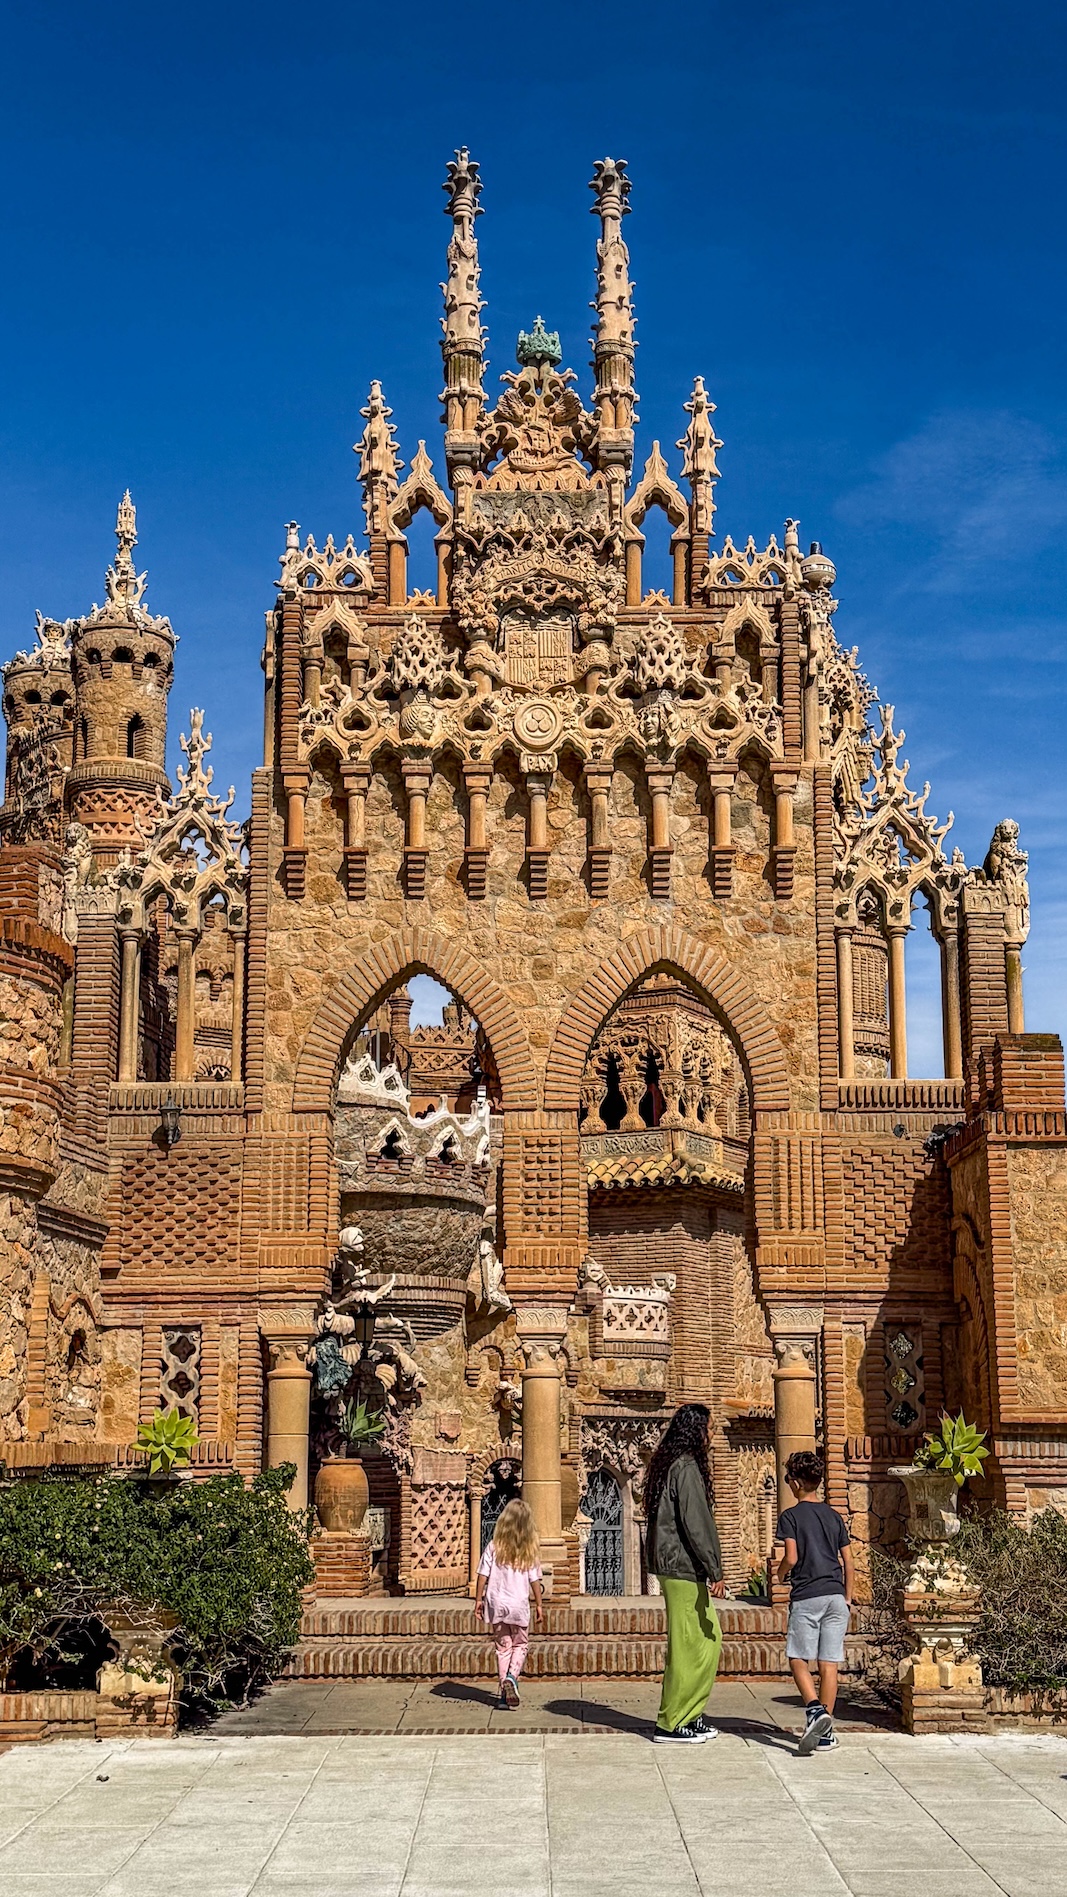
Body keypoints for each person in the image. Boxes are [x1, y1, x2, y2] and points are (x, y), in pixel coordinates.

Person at [644, 1402, 726, 1745]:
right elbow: (697, 1523)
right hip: (681, 1566)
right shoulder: (686, 1466)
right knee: (689, 1645)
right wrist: (715, 1568)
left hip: (678, 1566)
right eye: (708, 1428)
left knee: (706, 1640)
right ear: (695, 1431)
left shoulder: (671, 1464)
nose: (712, 1435)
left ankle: (688, 1714)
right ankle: (672, 1721)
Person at [776, 1449, 854, 1755]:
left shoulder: (791, 1516)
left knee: (797, 1657)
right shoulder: (834, 1516)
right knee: (829, 1664)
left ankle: (813, 1710)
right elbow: (848, 1561)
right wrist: (847, 1597)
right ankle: (826, 1734)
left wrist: (782, 1575)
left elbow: (791, 1558)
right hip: (836, 1596)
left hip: (807, 1595)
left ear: (795, 1483)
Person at [475, 1498, 544, 1709]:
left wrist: (478, 1599)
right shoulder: (529, 1549)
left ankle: (503, 1698)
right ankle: (512, 1678)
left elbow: (482, 1574)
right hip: (518, 1605)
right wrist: (539, 1604)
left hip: (496, 1602)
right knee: (520, 1644)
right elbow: (535, 1580)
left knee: (503, 1647)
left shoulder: (494, 1546)